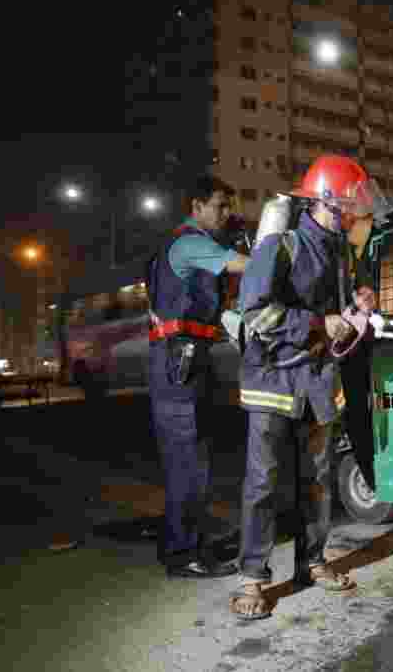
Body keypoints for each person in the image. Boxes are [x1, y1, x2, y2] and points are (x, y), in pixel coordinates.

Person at [229, 155, 384, 620]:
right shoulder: (281, 246)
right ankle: (253, 578)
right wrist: (320, 322)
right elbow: (257, 313)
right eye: (351, 203)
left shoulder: (340, 250)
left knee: (316, 480)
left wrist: (359, 301)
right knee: (263, 481)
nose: (357, 212)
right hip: (273, 379)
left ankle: (312, 562)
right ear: (327, 200)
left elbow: (344, 304)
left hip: (316, 380)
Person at [146, 175, 249, 578]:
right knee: (187, 461)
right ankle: (183, 554)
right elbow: (243, 265)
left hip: (189, 358)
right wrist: (279, 249)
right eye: (220, 206)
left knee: (196, 458)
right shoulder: (189, 243)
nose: (226, 214)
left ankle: (190, 545)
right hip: (178, 362)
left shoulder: (196, 246)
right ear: (197, 206)